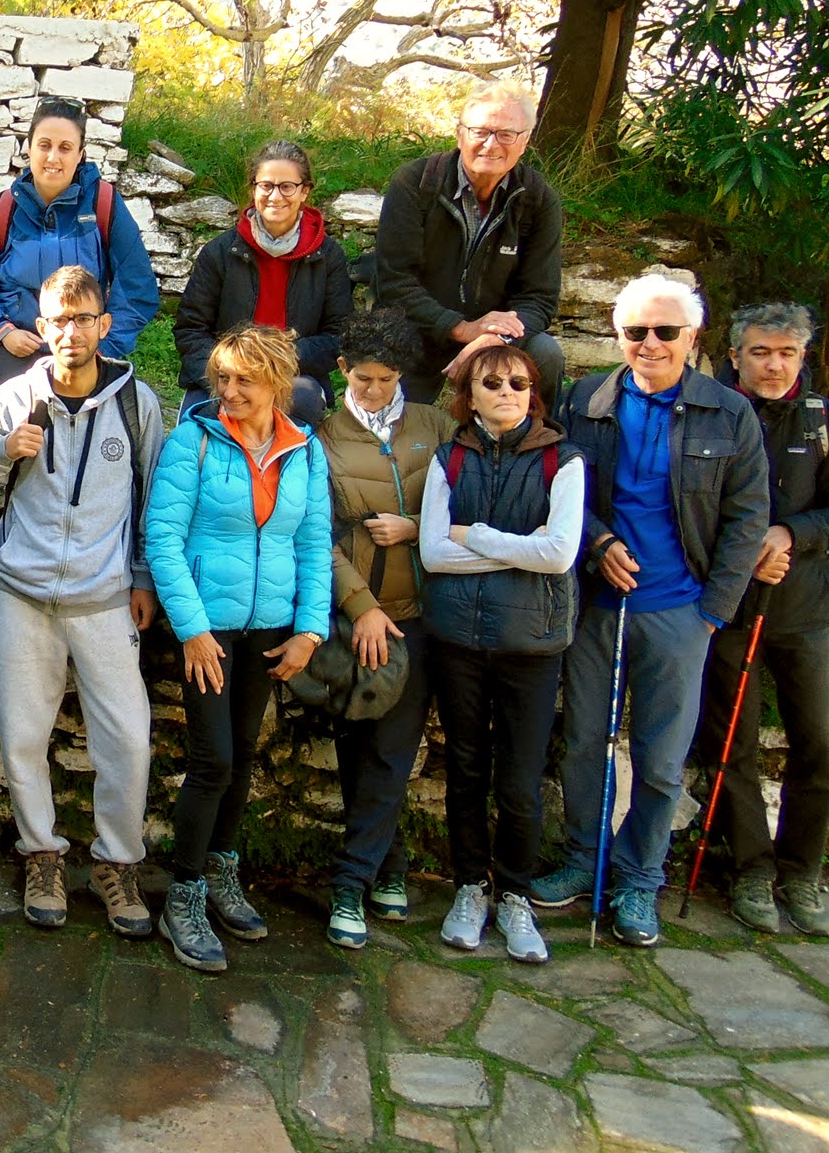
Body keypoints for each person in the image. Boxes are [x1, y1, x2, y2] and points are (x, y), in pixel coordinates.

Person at [531, 274, 770, 947]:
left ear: (693, 337)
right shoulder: (588, 400)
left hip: (680, 608)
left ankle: (639, 877)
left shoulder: (729, 413)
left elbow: (749, 517)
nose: (651, 343)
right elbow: (559, 485)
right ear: (619, 335)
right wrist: (598, 539)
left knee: (662, 759)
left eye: (666, 331)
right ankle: (586, 859)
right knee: (582, 742)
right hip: (595, 605)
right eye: (637, 331)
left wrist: (712, 611)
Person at [0, 266, 166, 939]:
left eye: (83, 318)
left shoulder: (138, 404)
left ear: (103, 324)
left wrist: (141, 578)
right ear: (41, 325)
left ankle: (116, 863)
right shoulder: (16, 395)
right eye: (57, 319)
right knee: (22, 736)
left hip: (105, 597)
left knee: (130, 740)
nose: (70, 331)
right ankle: (42, 854)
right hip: (23, 592)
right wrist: (1, 449)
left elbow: (153, 501)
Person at [145, 325, 332, 972]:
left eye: (242, 380)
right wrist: (192, 628)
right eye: (221, 378)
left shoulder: (305, 450)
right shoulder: (193, 441)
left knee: (244, 754)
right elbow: (162, 538)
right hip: (210, 628)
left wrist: (310, 629)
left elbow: (314, 542)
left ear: (277, 382)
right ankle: (185, 893)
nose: (227, 391)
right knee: (213, 759)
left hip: (270, 627)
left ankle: (224, 871)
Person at [698, 303, 829, 936]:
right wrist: (746, 553)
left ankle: (802, 871)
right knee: (730, 744)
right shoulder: (707, 414)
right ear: (736, 355)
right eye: (761, 352)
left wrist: (790, 533)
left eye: (788, 354)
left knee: (818, 747)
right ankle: (749, 867)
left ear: (803, 357)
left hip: (805, 609)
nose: (774, 366)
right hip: (729, 606)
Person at [417, 344, 585, 963]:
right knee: (465, 769)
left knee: (519, 779)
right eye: (492, 383)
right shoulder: (449, 458)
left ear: (533, 392)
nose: (507, 391)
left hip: (532, 643)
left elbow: (561, 554)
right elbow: (433, 554)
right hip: (460, 638)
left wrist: (477, 537)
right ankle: (469, 887)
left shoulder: (562, 461)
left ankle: (514, 894)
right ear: (471, 394)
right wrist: (521, 545)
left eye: (519, 382)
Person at [312, 308, 449, 949]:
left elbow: (469, 504)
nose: (372, 391)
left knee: (395, 748)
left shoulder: (436, 427)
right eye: (361, 378)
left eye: (386, 380)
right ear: (342, 371)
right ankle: (388, 865)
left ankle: (350, 879)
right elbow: (316, 537)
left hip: (421, 616)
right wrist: (361, 605)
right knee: (357, 742)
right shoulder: (321, 437)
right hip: (355, 618)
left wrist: (418, 526)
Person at [374, 82, 567, 414]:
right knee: (403, 435)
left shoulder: (537, 199)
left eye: (506, 134)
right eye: (480, 131)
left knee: (545, 353)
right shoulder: (417, 183)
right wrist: (461, 328)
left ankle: (532, 448)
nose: (491, 145)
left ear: (525, 141)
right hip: (418, 330)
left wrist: (490, 340)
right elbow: (395, 283)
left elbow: (539, 297)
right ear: (460, 134)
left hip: (496, 340)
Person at [0, 98, 158, 392]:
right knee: (10, 434)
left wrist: (102, 348)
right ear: (28, 148)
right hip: (11, 351)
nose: (53, 157)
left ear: (80, 154)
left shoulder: (104, 205)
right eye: (44, 145)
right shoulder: (1, 209)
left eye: (65, 148)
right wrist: (2, 330)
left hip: (84, 356)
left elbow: (137, 289)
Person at [175, 140, 352, 427]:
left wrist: (277, 360)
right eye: (266, 185)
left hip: (294, 377)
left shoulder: (328, 257)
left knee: (301, 405)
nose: (275, 196)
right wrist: (228, 374)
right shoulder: (220, 252)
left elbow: (339, 335)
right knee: (198, 431)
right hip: (223, 374)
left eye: (287, 186)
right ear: (253, 189)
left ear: (304, 191)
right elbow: (190, 329)